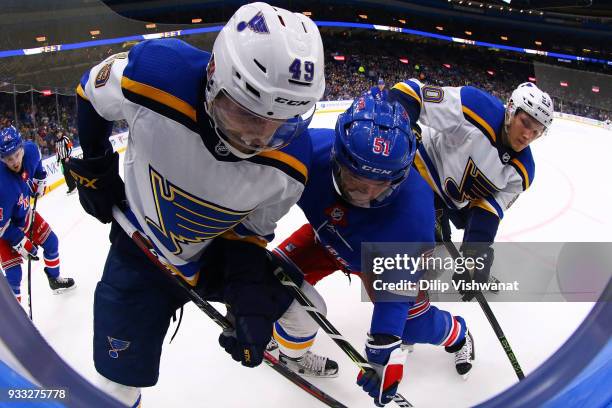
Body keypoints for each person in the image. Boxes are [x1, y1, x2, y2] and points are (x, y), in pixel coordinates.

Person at [64, 3, 325, 406]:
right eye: (246, 114)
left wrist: (247, 295)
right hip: (140, 252)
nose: (257, 138)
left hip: (213, 255)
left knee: (309, 306)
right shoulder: (152, 75)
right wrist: (95, 164)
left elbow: (249, 235)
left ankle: (289, 352)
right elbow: (90, 91)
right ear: (214, 77)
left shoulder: (291, 164)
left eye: (279, 124)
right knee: (115, 387)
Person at [271, 96, 474, 406]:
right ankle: (287, 343)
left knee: (414, 324)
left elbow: (394, 299)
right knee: (269, 277)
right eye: (355, 178)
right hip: (329, 237)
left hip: (382, 259)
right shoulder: (310, 150)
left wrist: (382, 352)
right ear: (337, 157)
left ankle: (457, 334)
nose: (363, 195)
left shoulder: (414, 216)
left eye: (380, 185)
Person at [389, 80, 553, 300]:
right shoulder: (473, 107)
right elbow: (409, 93)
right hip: (421, 172)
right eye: (525, 123)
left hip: (455, 200)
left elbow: (488, 209)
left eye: (537, 131)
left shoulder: (523, 172)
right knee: (420, 249)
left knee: (451, 253)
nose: (527, 136)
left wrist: (475, 253)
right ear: (511, 109)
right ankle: (403, 309)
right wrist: (403, 128)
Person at [0, 126, 76, 303]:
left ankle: (54, 280)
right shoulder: (2, 184)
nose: (14, 161)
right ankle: (15, 321)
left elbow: (38, 166)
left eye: (17, 155)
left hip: (24, 214)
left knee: (52, 242)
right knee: (14, 274)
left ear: (22, 148)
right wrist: (19, 240)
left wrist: (40, 178)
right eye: (8, 159)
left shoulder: (31, 150)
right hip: (5, 228)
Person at [53, 128, 77, 195]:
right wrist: (58, 161)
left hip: (68, 158)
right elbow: (57, 152)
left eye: (59, 133)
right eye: (57, 134)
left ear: (61, 132)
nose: (58, 134)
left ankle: (73, 187)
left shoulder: (65, 138)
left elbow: (71, 147)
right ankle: (71, 187)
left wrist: (68, 157)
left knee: (68, 173)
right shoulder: (57, 142)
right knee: (66, 174)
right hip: (63, 160)